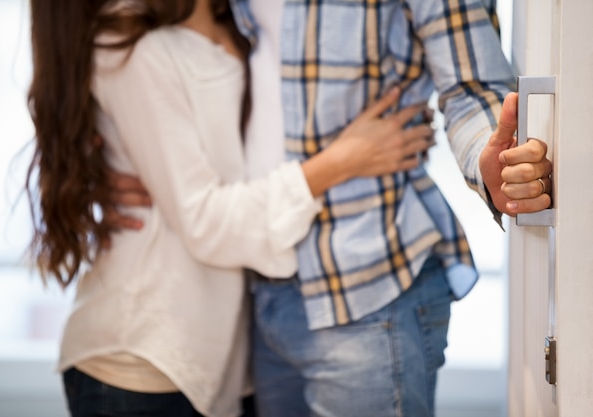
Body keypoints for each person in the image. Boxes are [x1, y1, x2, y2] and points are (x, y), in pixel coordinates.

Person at [105, 0, 553, 416]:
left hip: (369, 284)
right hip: (260, 296)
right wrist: (92, 159)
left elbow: (470, 87)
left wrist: (489, 159)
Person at [25, 0, 437, 416]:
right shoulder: (130, 43)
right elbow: (205, 222)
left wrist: (394, 130)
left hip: (228, 358)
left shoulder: (240, 17)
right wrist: (342, 161)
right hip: (144, 357)